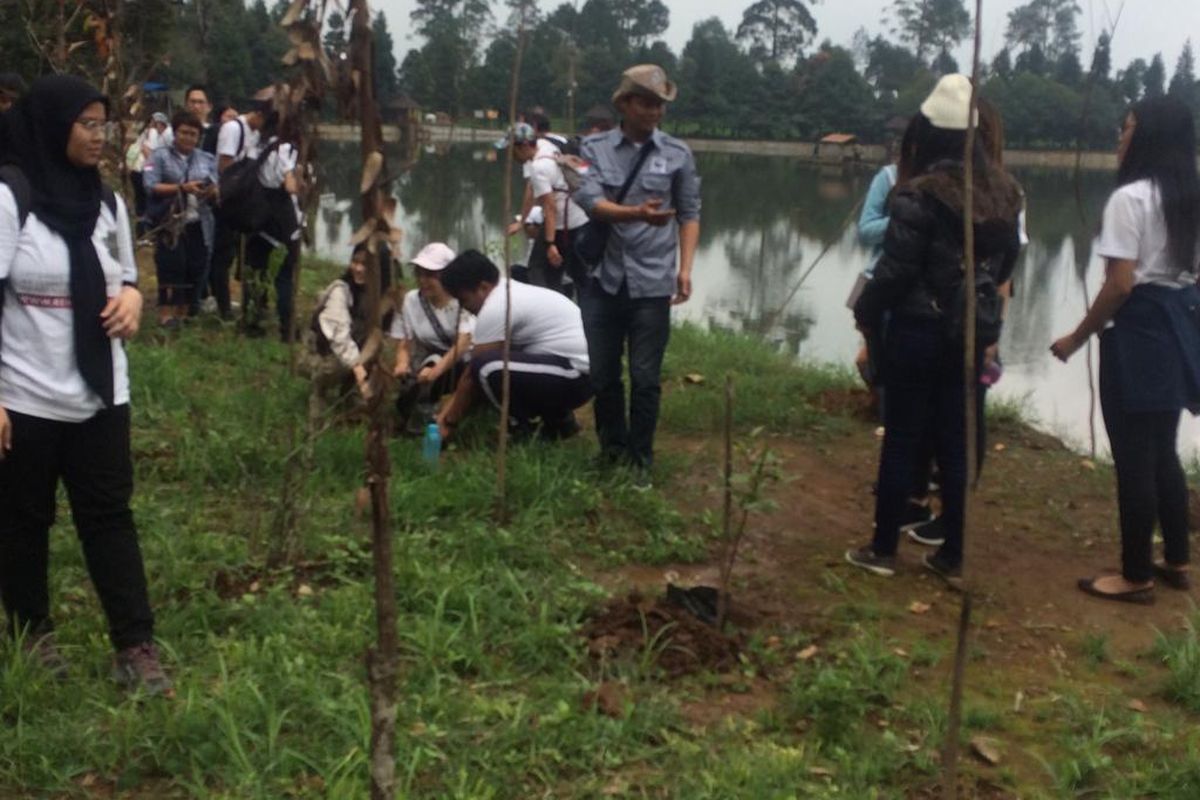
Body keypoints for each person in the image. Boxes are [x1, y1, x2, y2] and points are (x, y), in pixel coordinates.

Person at [0, 75, 171, 694]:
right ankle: (31, 632)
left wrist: (132, 299)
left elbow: (128, 276)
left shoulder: (107, 203)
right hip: (25, 395)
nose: (99, 137)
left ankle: (135, 644)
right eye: (87, 124)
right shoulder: (9, 197)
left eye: (104, 125)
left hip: (101, 393)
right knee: (23, 520)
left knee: (109, 518)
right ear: (52, 126)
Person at [847, 74, 1023, 584]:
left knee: (901, 436)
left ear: (928, 136)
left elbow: (896, 270)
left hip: (918, 329)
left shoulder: (920, 195)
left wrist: (867, 310)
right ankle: (953, 555)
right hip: (967, 333)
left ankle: (882, 549)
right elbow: (1007, 263)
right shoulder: (1006, 194)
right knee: (954, 437)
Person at [1051, 96, 1200, 604]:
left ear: (1149, 136)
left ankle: (1135, 574)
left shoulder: (1130, 200)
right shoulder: (1190, 197)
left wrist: (1076, 337)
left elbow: (1119, 286)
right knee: (1162, 448)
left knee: (1135, 457)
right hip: (1180, 329)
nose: (1121, 136)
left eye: (1128, 127)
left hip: (1137, 334)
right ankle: (1176, 559)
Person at [574, 64, 701, 484]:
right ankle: (611, 452)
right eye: (647, 102)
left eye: (661, 104)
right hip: (602, 281)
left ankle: (641, 460)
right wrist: (635, 213)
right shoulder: (593, 149)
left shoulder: (677, 153)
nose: (655, 112)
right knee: (604, 375)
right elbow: (591, 201)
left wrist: (685, 269)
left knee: (645, 378)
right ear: (625, 103)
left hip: (652, 283)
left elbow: (690, 213)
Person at [435, 250, 592, 441]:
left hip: (576, 374)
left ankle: (521, 427)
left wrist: (448, 421)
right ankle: (559, 422)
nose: (464, 307)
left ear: (483, 287)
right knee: (493, 362)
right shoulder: (507, 290)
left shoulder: (497, 305)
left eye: (464, 300)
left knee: (485, 368)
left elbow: (471, 376)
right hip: (569, 369)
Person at [497, 123, 591, 297]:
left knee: (539, 272)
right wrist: (522, 221)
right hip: (577, 218)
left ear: (524, 146)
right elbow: (531, 189)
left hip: (564, 225)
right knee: (570, 273)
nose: (510, 154)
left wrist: (550, 244)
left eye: (511, 149)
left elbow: (550, 207)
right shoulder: (545, 147)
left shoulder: (539, 168)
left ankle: (552, 309)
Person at [143, 110, 217, 328]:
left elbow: (215, 185)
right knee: (170, 267)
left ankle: (184, 313)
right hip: (171, 223)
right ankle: (167, 314)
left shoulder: (206, 158)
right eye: (184, 133)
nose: (188, 138)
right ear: (175, 133)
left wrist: (211, 191)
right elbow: (150, 185)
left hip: (199, 222)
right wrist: (181, 188)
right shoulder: (159, 156)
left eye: (193, 134)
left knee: (195, 267)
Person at [389, 242, 474, 433]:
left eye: (430, 275)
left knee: (433, 372)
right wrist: (401, 363)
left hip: (458, 364)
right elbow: (405, 340)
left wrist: (435, 371)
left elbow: (463, 342)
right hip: (424, 364)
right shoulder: (411, 301)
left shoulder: (462, 302)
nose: (423, 280)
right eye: (419, 274)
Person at [242, 112, 302, 340]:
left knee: (256, 271)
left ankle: (253, 321)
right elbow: (289, 186)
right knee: (284, 276)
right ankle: (287, 328)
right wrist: (301, 182)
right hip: (282, 221)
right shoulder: (285, 149)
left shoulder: (257, 145)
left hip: (257, 217)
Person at [208, 99, 267, 320]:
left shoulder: (256, 134)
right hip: (227, 201)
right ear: (258, 114)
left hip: (243, 203)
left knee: (237, 255)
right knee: (222, 255)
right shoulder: (233, 129)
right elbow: (225, 165)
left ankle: (242, 304)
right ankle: (222, 307)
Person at [303, 246, 375, 419]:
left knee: (371, 351)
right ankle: (319, 391)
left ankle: (349, 395)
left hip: (353, 349)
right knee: (339, 365)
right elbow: (339, 337)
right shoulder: (340, 291)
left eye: (365, 264)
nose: (358, 268)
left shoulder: (373, 295)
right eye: (355, 262)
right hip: (325, 354)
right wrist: (360, 373)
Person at [184, 84, 219, 155]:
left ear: (209, 107)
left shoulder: (216, 133)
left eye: (200, 102)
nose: (196, 106)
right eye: (192, 102)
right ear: (186, 105)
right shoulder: (175, 132)